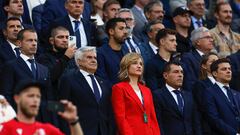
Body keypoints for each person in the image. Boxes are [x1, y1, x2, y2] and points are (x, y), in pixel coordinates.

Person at [0, 28, 55, 124]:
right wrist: (13, 120)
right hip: (20, 119)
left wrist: (54, 121)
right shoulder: (10, 66)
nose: (34, 43)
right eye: (30, 40)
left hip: (43, 121)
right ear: (19, 43)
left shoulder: (44, 69)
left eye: (35, 40)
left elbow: (49, 98)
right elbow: (7, 95)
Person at [59, 46, 114, 135]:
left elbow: (109, 111)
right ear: (79, 61)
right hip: (80, 131)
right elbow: (62, 107)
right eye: (89, 57)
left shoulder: (104, 83)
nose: (93, 60)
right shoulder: (68, 79)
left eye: (95, 58)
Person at [0, 79, 83, 135]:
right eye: (31, 95)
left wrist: (73, 121)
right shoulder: (4, 128)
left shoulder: (48, 129)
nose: (35, 100)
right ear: (17, 98)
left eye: (38, 96)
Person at [111, 53, 160, 135]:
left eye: (141, 64)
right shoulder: (119, 88)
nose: (139, 66)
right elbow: (120, 118)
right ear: (126, 66)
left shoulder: (147, 90)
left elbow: (153, 118)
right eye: (135, 63)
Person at [153, 62, 202, 135]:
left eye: (182, 72)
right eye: (176, 72)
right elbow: (158, 122)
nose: (180, 75)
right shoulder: (157, 95)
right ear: (165, 75)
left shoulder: (189, 95)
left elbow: (195, 121)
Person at [202, 58, 240, 135]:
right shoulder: (208, 92)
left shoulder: (237, 93)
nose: (228, 71)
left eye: (229, 69)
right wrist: (234, 133)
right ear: (215, 73)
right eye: (224, 69)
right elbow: (214, 119)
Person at [37, 26, 77, 98]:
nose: (65, 40)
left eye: (67, 37)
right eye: (60, 37)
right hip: (54, 100)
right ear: (51, 41)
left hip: (73, 100)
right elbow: (50, 77)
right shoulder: (43, 58)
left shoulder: (74, 58)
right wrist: (66, 58)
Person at [96, 18, 129, 85]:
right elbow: (102, 79)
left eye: (126, 28)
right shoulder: (100, 53)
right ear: (111, 31)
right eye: (121, 28)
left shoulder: (127, 52)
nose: (125, 32)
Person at [192, 52, 219, 135]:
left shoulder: (226, 84)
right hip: (210, 129)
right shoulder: (200, 84)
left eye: (218, 62)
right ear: (204, 66)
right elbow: (202, 109)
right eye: (213, 62)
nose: (217, 64)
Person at [181, 27, 214, 91]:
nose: (211, 40)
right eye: (207, 37)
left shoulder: (214, 57)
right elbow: (190, 83)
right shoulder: (188, 58)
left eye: (211, 37)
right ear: (198, 42)